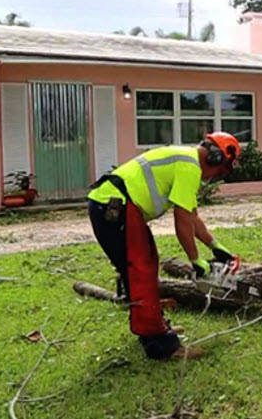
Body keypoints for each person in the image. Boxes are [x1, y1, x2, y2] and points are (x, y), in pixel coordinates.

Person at [87, 132, 242, 360]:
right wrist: (196, 260)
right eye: (220, 171)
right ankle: (162, 345)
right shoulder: (190, 166)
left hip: (113, 205)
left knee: (141, 267)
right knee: (141, 269)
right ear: (215, 158)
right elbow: (181, 219)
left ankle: (152, 327)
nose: (214, 177)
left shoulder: (186, 160)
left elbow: (191, 215)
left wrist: (216, 246)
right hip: (115, 206)